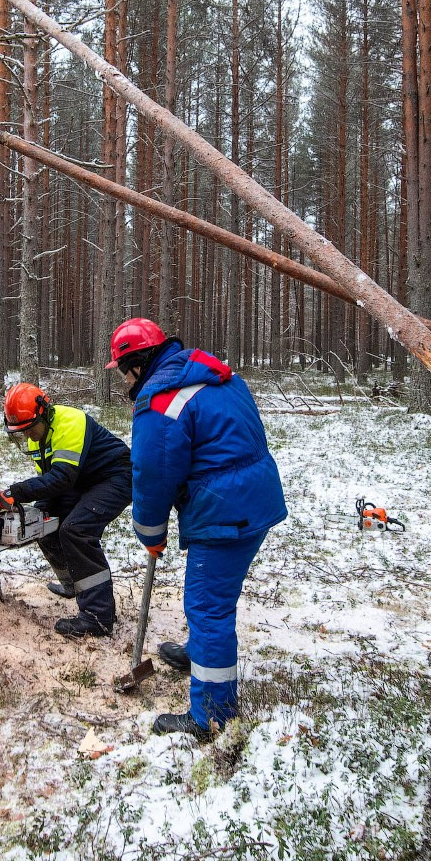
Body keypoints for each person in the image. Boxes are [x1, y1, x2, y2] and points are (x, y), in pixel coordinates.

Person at [110, 317, 287, 741]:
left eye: (122, 370)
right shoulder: (212, 372)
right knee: (211, 597)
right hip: (254, 497)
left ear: (138, 363)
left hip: (224, 513)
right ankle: (198, 654)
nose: (122, 380)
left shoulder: (160, 403)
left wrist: (149, 532)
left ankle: (212, 714)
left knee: (209, 608)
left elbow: (151, 476)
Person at [0, 382, 134, 638]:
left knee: (76, 531)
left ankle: (98, 616)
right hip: (80, 480)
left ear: (45, 413)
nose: (28, 436)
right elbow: (50, 486)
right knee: (44, 524)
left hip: (114, 477)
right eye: (21, 432)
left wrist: (16, 492)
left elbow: (62, 478)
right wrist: (36, 514)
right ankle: (74, 583)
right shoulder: (40, 437)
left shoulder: (70, 422)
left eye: (29, 429)